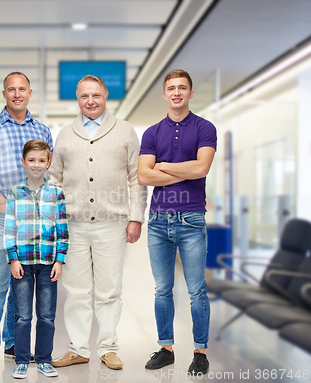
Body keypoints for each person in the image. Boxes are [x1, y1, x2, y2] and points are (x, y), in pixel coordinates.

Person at [50, 75, 147, 370]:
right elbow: (54, 179)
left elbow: (136, 178)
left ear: (106, 96)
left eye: (96, 95)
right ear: (77, 99)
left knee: (109, 290)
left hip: (112, 222)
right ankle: (78, 348)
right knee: (76, 290)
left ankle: (108, 347)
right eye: (84, 96)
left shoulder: (125, 131)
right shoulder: (65, 134)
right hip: (73, 224)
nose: (90, 101)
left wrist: (135, 218)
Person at [0, 72, 53, 373]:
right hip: (2, 216)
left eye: (22, 89)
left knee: (23, 281)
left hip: (35, 220)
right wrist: (4, 204)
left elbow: (48, 173)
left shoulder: (43, 130)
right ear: (4, 94)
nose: (17, 94)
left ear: (30, 92)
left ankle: (12, 342)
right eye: (11, 89)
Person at [137, 69, 217, 375]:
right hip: (158, 221)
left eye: (182, 88)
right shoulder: (152, 133)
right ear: (164, 94)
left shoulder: (205, 128)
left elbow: (201, 168)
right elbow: (144, 175)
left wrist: (166, 166)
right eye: (171, 88)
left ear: (190, 93)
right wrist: (186, 169)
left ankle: (200, 352)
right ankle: (166, 348)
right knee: (162, 290)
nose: (177, 92)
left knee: (196, 290)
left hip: (192, 219)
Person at [4, 139, 69, 379]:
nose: (36, 165)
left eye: (42, 160)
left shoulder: (56, 194)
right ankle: (22, 360)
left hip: (48, 262)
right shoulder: (14, 193)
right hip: (22, 261)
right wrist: (13, 258)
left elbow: (62, 229)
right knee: (22, 316)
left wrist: (60, 259)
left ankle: (43, 359)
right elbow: (10, 228)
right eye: (31, 160)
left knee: (47, 316)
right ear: (23, 162)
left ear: (49, 162)